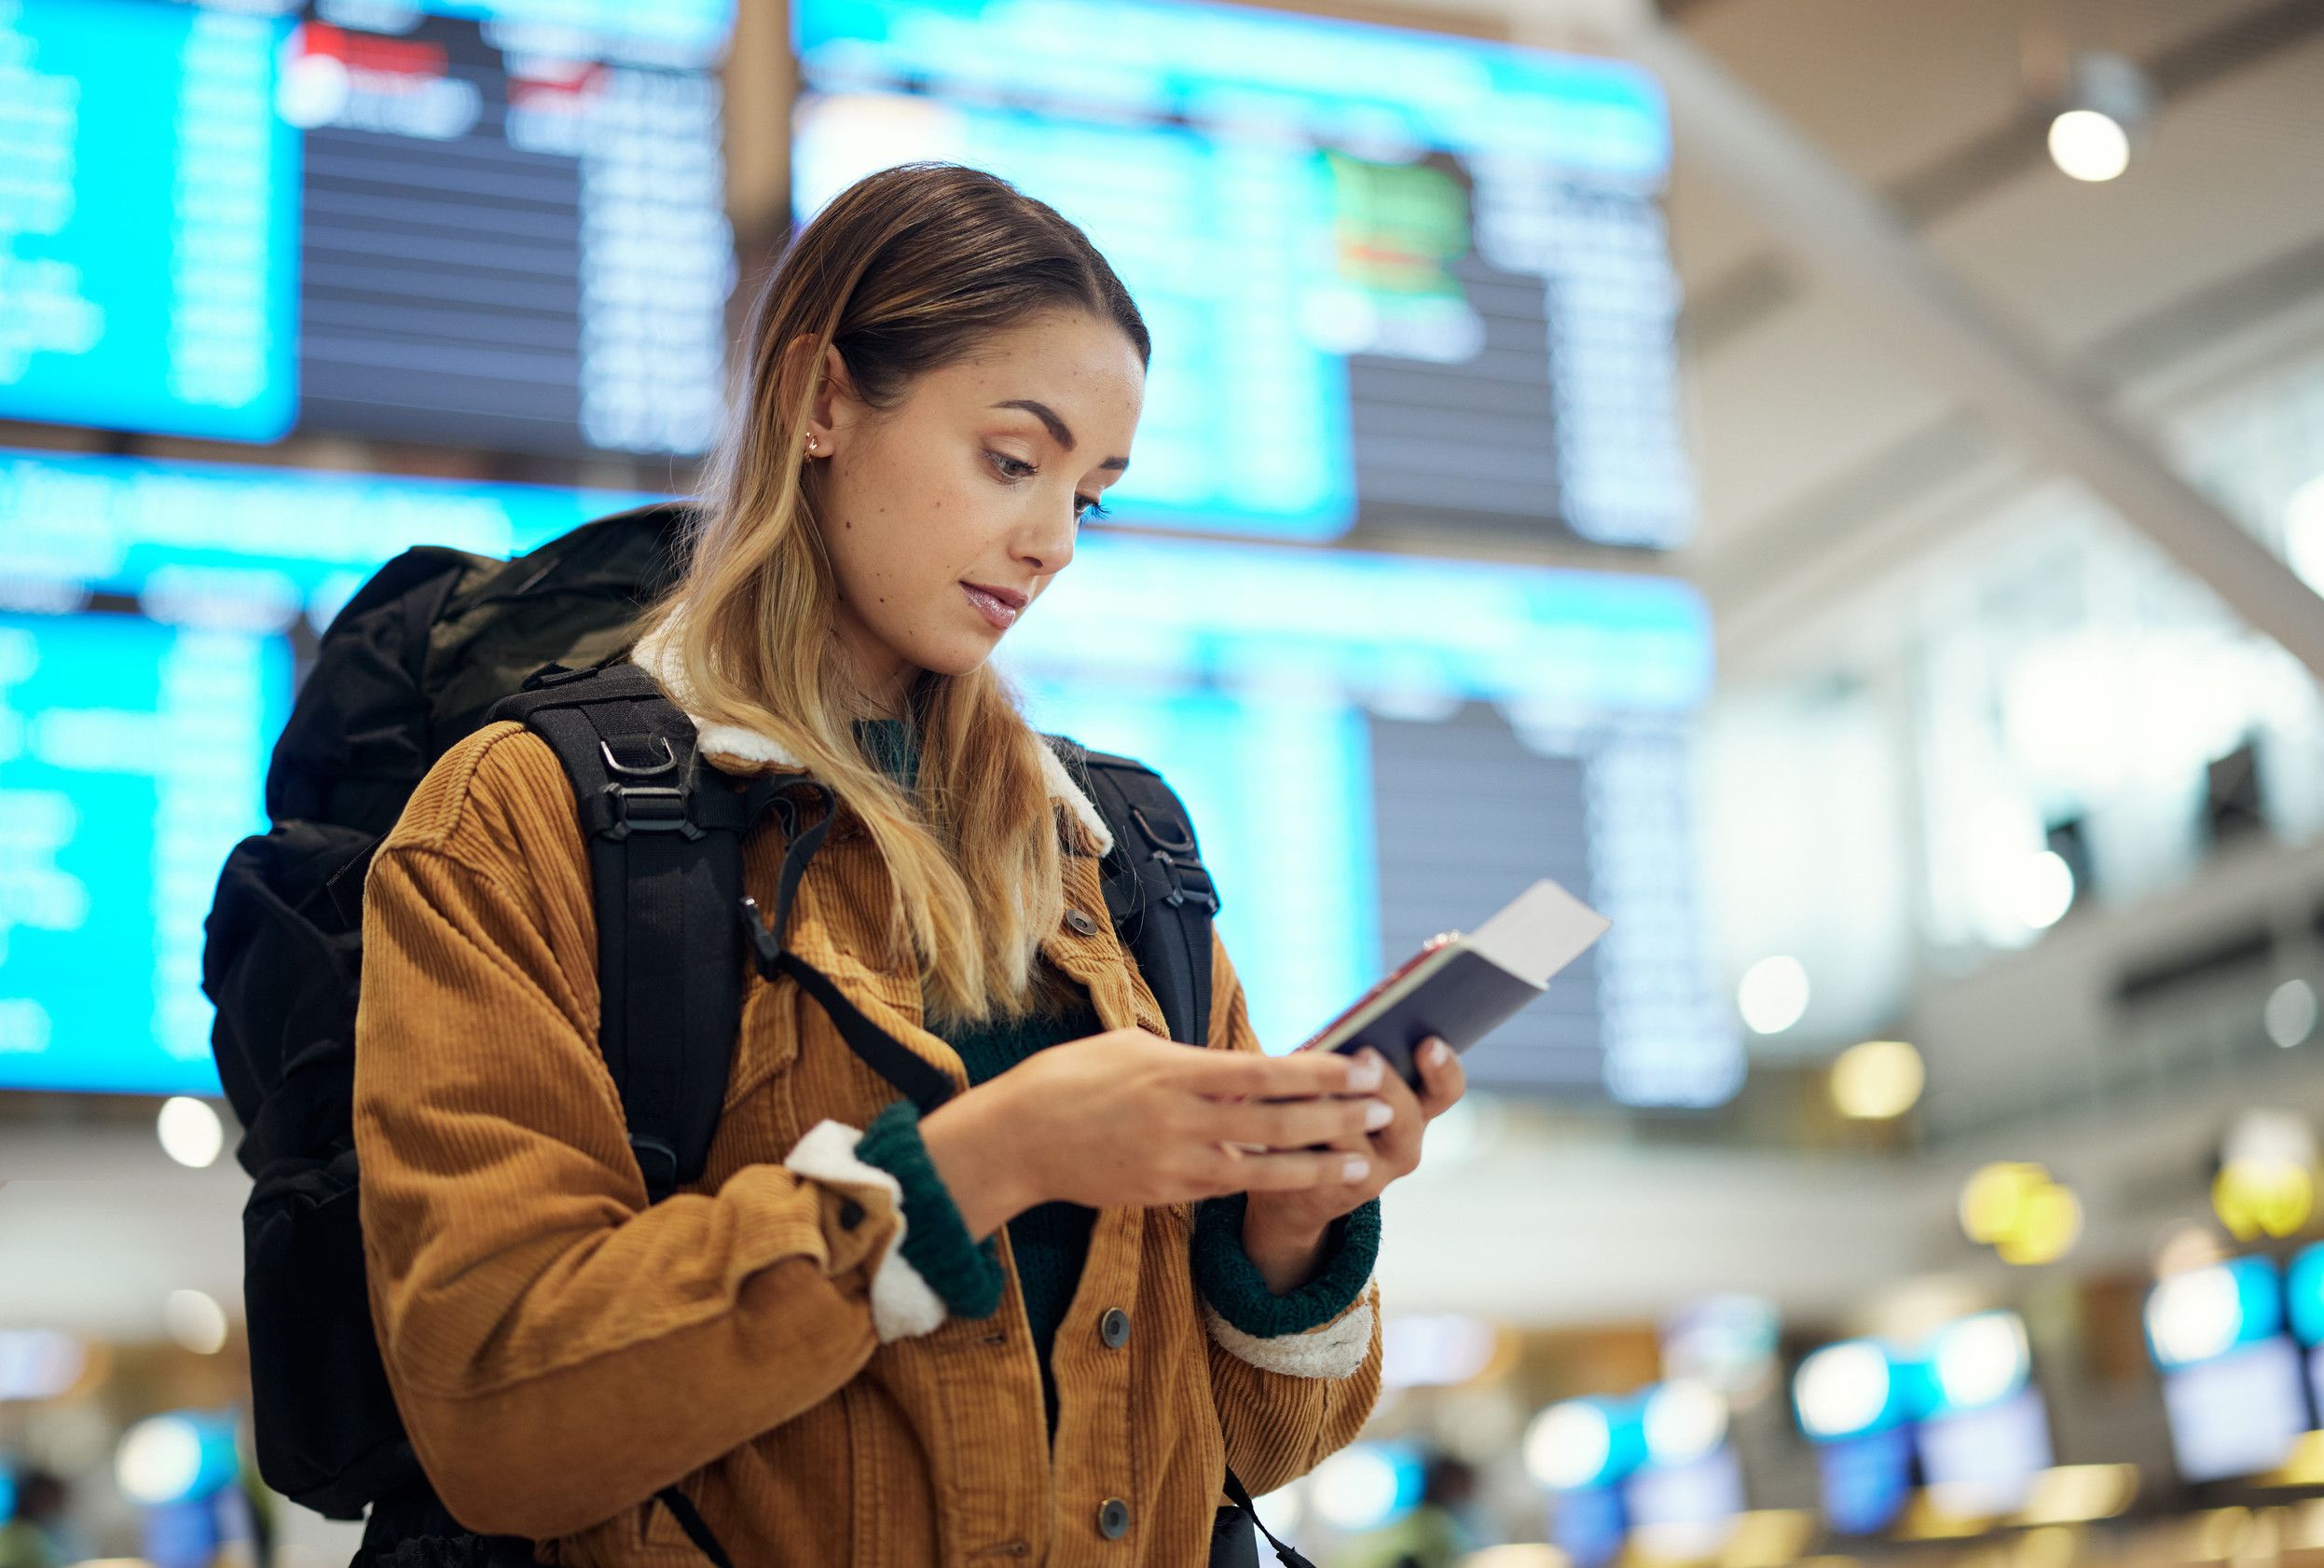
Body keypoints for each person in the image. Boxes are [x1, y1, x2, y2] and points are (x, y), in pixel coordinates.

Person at [351, 160, 1468, 1566]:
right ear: (821, 400)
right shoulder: (524, 817)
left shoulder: (1110, 853)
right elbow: (502, 1412)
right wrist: (982, 1162)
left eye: (1092, 495)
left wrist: (1298, 1220)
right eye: (1012, 460)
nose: (1052, 542)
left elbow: (1253, 1447)